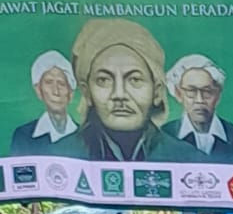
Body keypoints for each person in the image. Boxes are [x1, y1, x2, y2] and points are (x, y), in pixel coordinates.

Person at [56, 22, 206, 163]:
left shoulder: (190, 160)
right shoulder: (58, 157)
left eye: (134, 79)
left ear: (157, 92)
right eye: (103, 80)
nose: (119, 94)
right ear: (87, 92)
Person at [165, 55, 233, 163]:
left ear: (218, 95)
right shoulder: (164, 135)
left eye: (207, 91)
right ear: (178, 94)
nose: (200, 100)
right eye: (191, 91)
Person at [10, 51, 78, 155]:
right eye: (49, 82)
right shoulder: (23, 136)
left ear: (71, 94)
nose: (56, 91)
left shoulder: (85, 137)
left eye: (61, 83)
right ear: (38, 90)